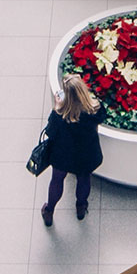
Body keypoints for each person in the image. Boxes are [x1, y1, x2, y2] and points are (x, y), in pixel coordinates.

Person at [41, 74, 104, 226]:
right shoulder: (95, 109)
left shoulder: (60, 114)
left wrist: (57, 107)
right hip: (86, 153)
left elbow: (50, 131)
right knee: (83, 179)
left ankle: (49, 211)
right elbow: (101, 118)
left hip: (62, 154)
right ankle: (81, 208)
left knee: (57, 180)